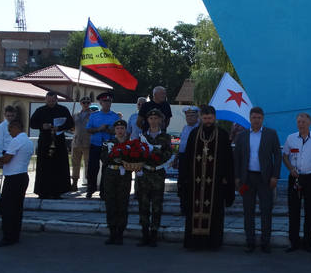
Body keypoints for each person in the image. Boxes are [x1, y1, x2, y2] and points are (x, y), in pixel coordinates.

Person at [179, 105, 234, 250]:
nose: (208, 121)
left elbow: (228, 160)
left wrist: (227, 179)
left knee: (215, 212)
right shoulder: (194, 134)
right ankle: (194, 243)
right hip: (195, 183)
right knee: (194, 210)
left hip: (215, 183)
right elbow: (187, 158)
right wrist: (184, 178)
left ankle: (212, 243)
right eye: (205, 118)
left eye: (210, 118)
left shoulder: (222, 135)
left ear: (214, 118)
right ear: (201, 118)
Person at [233, 106, 282, 253]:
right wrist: (237, 177)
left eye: (259, 118)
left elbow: (277, 156)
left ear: (263, 119)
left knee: (266, 211)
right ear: (250, 118)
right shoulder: (242, 136)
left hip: (265, 179)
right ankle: (250, 242)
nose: (256, 120)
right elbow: (237, 158)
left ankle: (265, 243)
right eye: (254, 117)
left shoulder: (271, 134)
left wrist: (275, 176)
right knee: (248, 211)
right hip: (247, 178)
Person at [282, 113, 311, 253]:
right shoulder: (291, 138)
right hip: (295, 178)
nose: (301, 124)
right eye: (299, 122)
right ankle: (293, 242)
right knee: (293, 210)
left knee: (310, 211)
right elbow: (285, 156)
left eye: (304, 122)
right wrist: (290, 168)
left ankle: (308, 243)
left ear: (309, 123)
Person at [0, 117, 34, 247]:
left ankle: (7, 236)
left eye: (10, 130)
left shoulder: (16, 140)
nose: (9, 133)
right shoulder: (28, 141)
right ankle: (15, 235)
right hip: (22, 175)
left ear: (16, 128)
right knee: (17, 208)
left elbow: (7, 159)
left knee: (8, 208)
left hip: (13, 177)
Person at [135, 109, 173, 247]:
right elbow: (137, 154)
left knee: (157, 206)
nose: (153, 121)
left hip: (157, 174)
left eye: (156, 118)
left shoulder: (165, 137)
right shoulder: (142, 137)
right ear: (147, 120)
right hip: (145, 174)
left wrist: (155, 153)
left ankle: (154, 234)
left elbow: (168, 153)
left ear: (161, 120)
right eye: (151, 118)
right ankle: (145, 234)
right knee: (143, 205)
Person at [29, 91, 73, 199]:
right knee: (44, 167)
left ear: (56, 100)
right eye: (49, 100)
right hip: (45, 141)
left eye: (53, 101)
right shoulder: (40, 110)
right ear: (45, 100)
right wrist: (42, 126)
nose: (51, 103)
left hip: (59, 141)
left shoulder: (63, 109)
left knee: (58, 166)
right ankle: (42, 191)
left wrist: (60, 127)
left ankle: (58, 191)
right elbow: (32, 123)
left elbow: (70, 123)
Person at [100, 119, 133, 245]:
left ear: (126, 130)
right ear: (114, 130)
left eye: (122, 128)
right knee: (110, 203)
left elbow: (134, 158)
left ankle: (120, 234)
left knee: (122, 204)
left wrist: (123, 158)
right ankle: (112, 233)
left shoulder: (131, 144)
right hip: (110, 174)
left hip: (124, 175)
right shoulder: (108, 143)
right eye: (118, 128)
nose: (120, 131)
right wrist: (115, 156)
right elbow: (104, 159)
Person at [86, 92, 119, 198]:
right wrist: (98, 129)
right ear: (100, 102)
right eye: (105, 101)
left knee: (107, 169)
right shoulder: (94, 115)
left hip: (109, 145)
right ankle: (90, 189)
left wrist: (109, 130)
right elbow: (88, 129)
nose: (107, 103)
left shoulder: (115, 116)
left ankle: (104, 191)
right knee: (92, 168)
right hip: (95, 144)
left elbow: (118, 131)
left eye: (109, 101)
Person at [70, 96, 92, 190]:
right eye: (84, 102)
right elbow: (72, 128)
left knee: (88, 164)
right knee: (75, 163)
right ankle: (74, 183)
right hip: (76, 142)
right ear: (80, 103)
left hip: (88, 142)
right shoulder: (75, 115)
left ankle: (89, 183)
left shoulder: (93, 114)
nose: (86, 104)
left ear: (90, 104)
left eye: (88, 102)